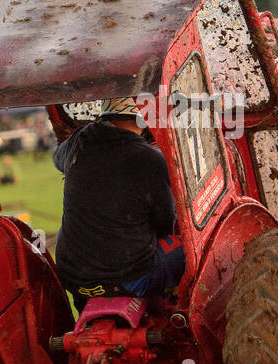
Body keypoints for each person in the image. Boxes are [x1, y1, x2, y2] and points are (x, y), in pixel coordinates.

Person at [53, 97, 185, 304]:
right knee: (191, 251)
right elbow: (165, 224)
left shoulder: (77, 143)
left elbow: (57, 160)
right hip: (129, 280)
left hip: (75, 282)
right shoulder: (151, 158)